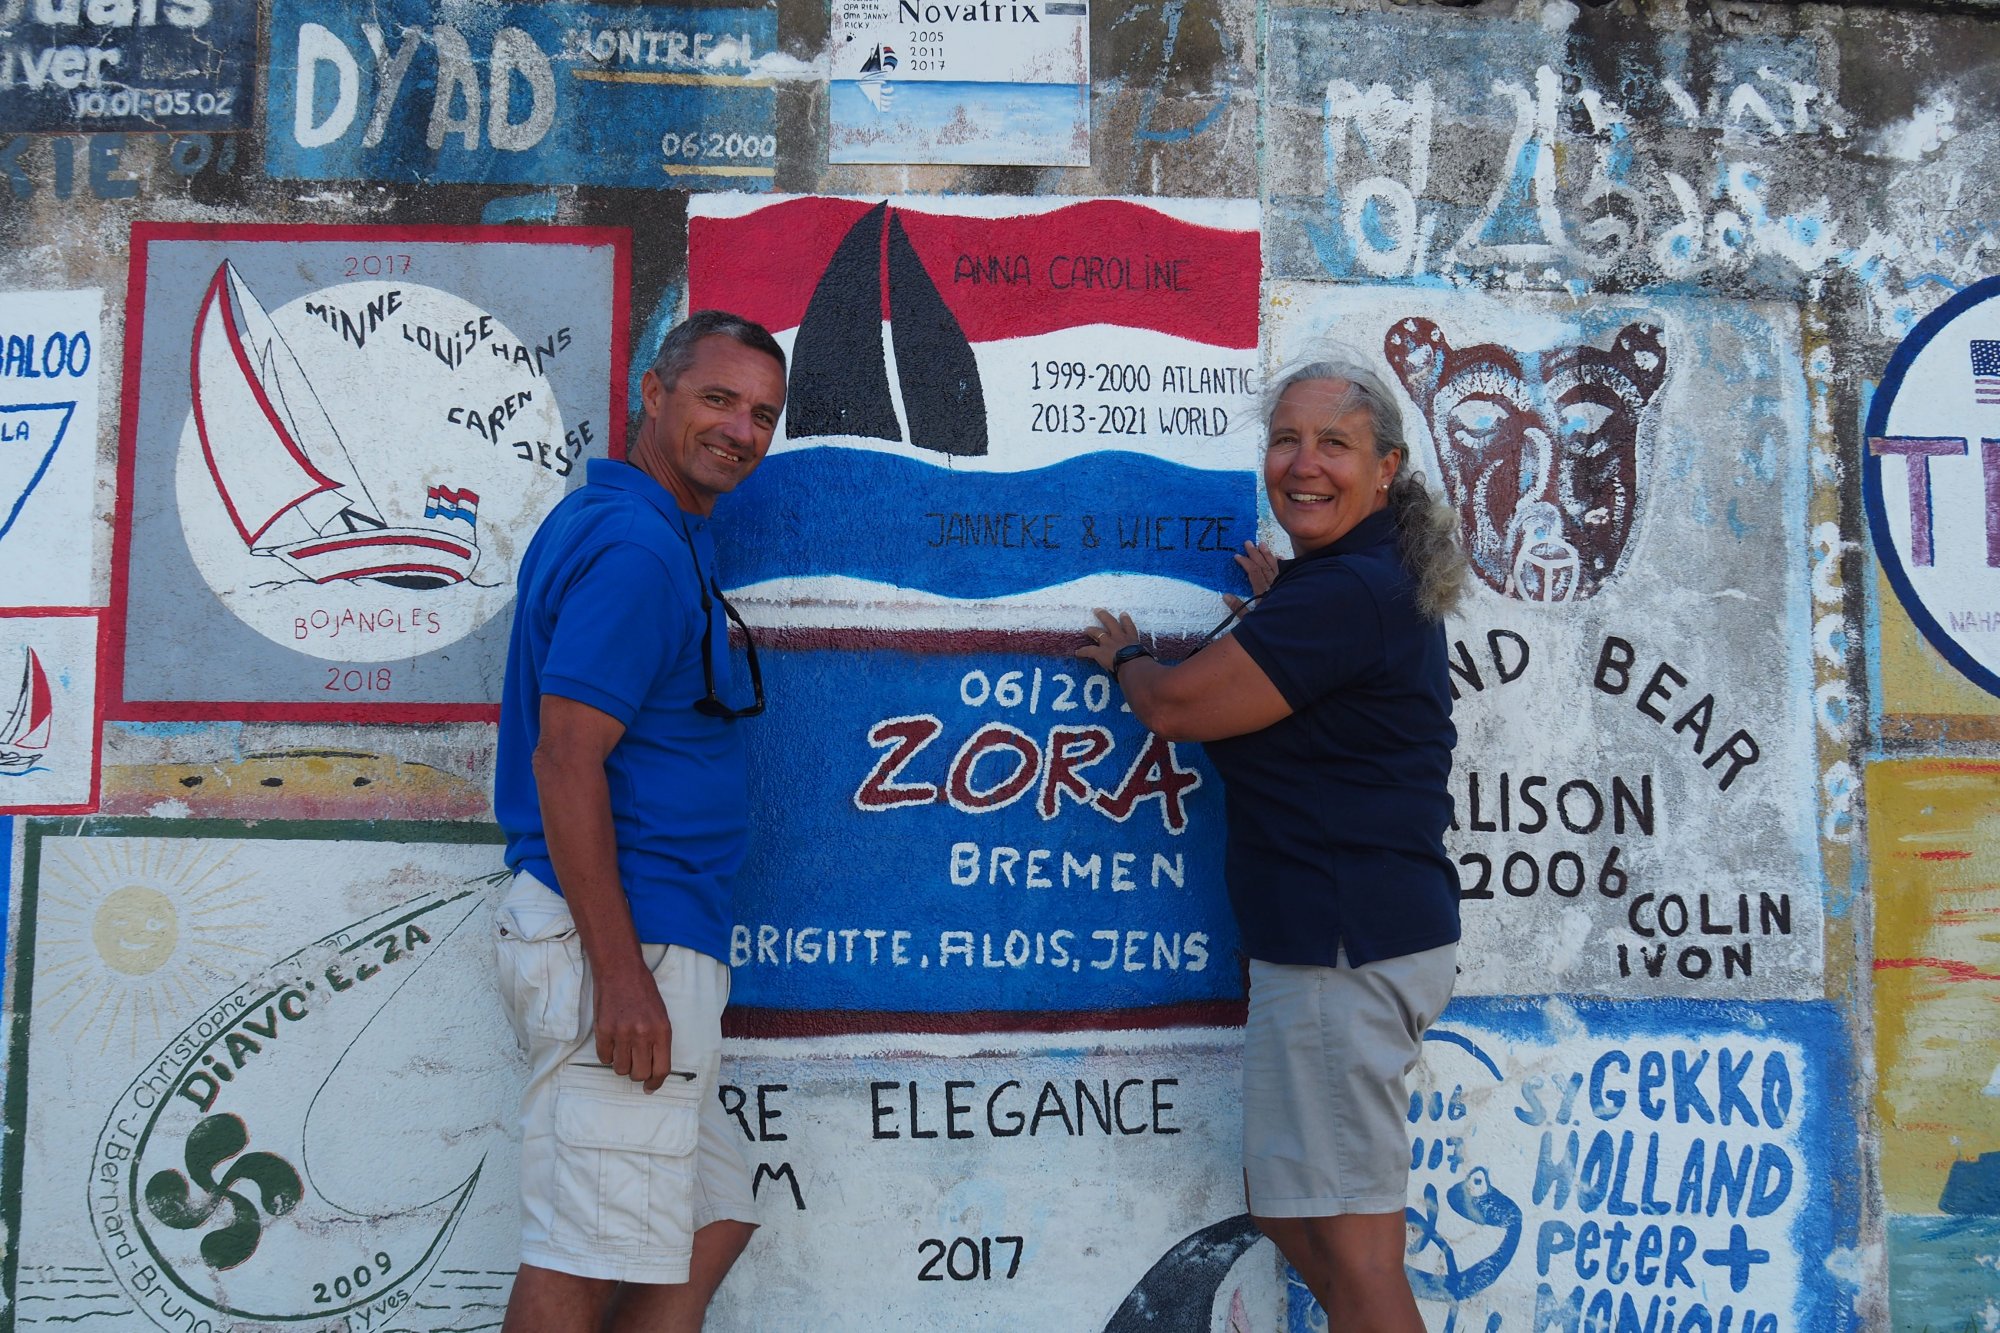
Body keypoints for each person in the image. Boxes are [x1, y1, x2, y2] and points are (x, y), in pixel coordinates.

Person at [1076, 360, 1468, 1331]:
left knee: (1354, 1246)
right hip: (1328, 944)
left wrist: (1128, 660)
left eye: (1332, 442)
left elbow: (1174, 703)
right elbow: (1305, 688)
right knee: (1293, 1215)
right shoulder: (1334, 586)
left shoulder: (1348, 593)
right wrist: (1273, 604)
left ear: (1384, 470)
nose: (1301, 463)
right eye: (1284, 440)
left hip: (1346, 946)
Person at [492, 310, 787, 1333]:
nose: (741, 430)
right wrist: (619, 975)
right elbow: (566, 758)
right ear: (652, 394)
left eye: (762, 414)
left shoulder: (651, 534)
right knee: (584, 1254)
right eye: (717, 398)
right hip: (628, 944)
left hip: (661, 940)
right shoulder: (635, 551)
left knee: (713, 1213)